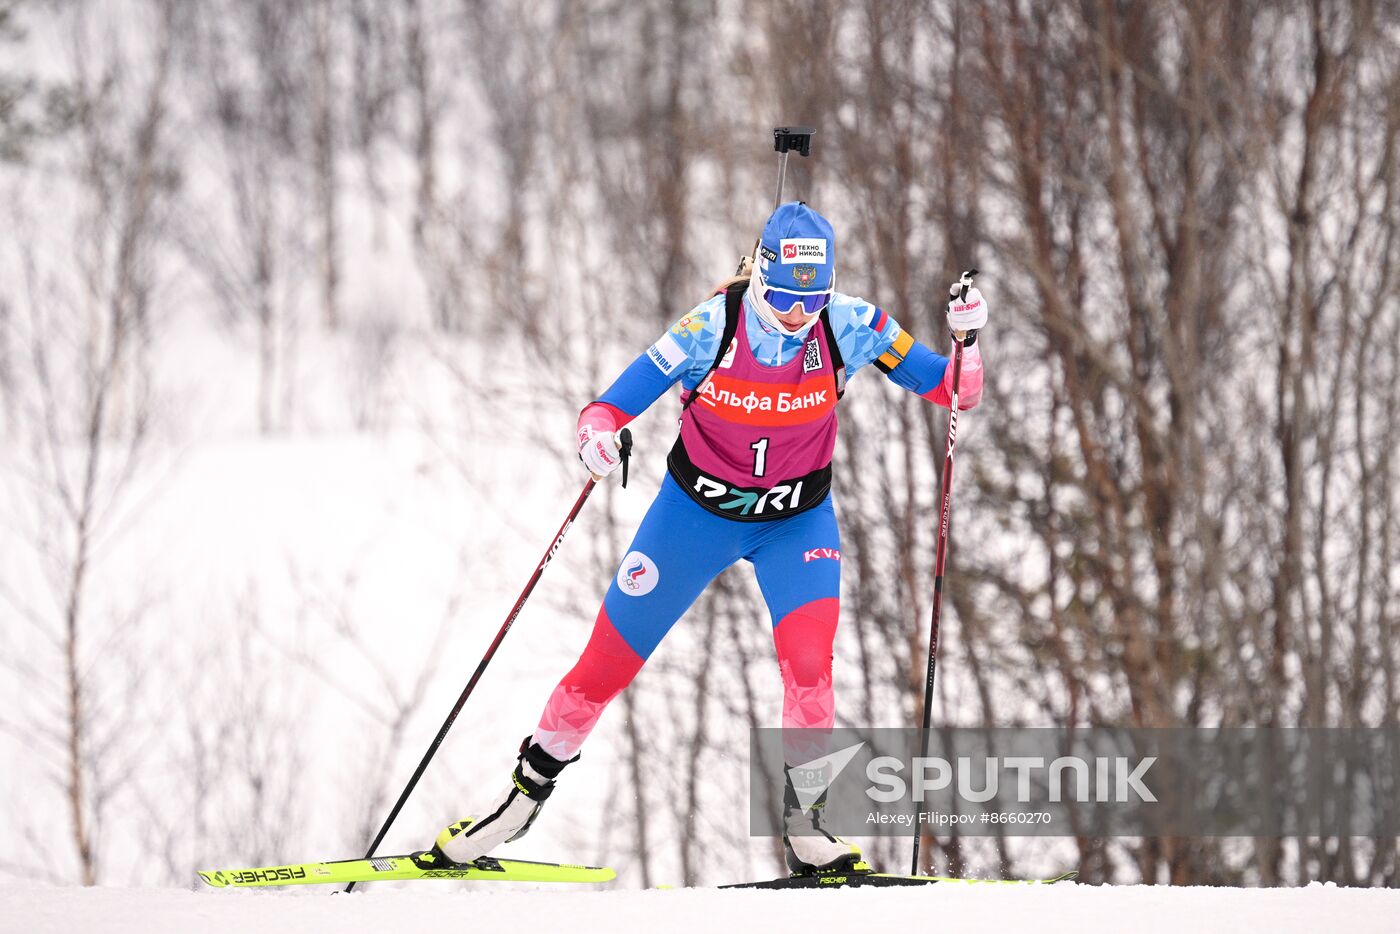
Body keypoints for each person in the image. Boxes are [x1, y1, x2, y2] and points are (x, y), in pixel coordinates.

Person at [431, 201, 988, 876]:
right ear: (760, 277)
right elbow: (607, 406)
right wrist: (596, 438)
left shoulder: (852, 323)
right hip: (693, 519)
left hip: (795, 523)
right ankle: (518, 804)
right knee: (603, 667)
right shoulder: (710, 326)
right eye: (782, 296)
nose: (794, 313)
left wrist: (967, 342)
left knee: (810, 667)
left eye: (809, 299)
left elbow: (951, 392)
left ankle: (806, 824)